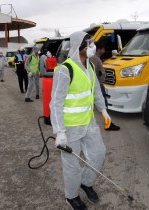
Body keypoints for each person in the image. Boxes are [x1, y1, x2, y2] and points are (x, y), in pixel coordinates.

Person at [50, 31, 112, 210]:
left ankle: (86, 182)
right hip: (70, 128)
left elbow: (96, 92)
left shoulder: (90, 67)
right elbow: (55, 102)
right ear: (79, 47)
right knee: (71, 165)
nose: (93, 47)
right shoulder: (65, 69)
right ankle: (72, 196)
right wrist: (59, 131)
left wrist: (104, 110)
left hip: (89, 123)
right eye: (89, 44)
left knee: (98, 154)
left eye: (92, 43)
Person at [89, 42, 120, 131]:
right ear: (99, 49)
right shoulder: (94, 58)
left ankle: (108, 122)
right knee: (103, 104)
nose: (104, 51)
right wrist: (97, 84)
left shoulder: (96, 58)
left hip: (98, 84)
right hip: (97, 85)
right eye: (103, 49)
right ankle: (108, 124)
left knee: (102, 104)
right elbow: (92, 72)